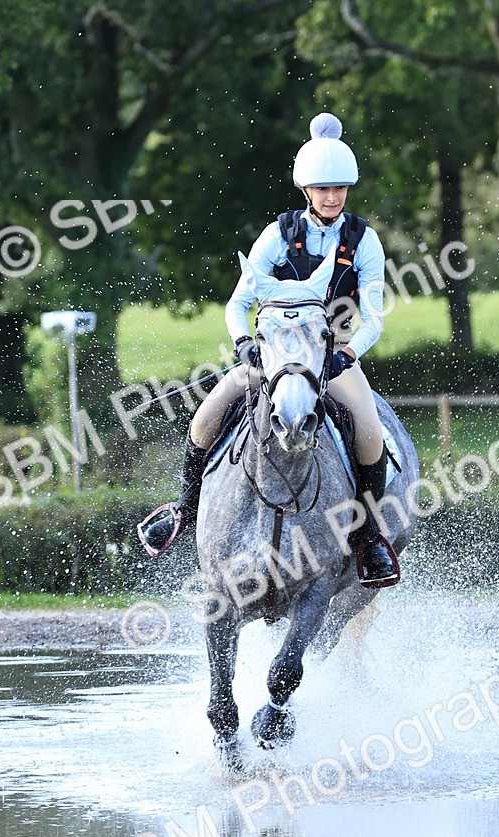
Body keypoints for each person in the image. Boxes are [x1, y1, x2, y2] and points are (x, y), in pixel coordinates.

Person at [139, 112, 396, 584]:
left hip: (332, 353)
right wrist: (243, 344)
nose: (333, 197)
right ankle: (185, 509)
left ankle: (368, 538)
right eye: (323, 189)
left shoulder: (364, 240)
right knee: (205, 417)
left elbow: (375, 317)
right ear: (306, 191)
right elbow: (238, 304)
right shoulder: (278, 234)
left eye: (339, 188)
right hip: (274, 353)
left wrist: (347, 353)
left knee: (369, 432)